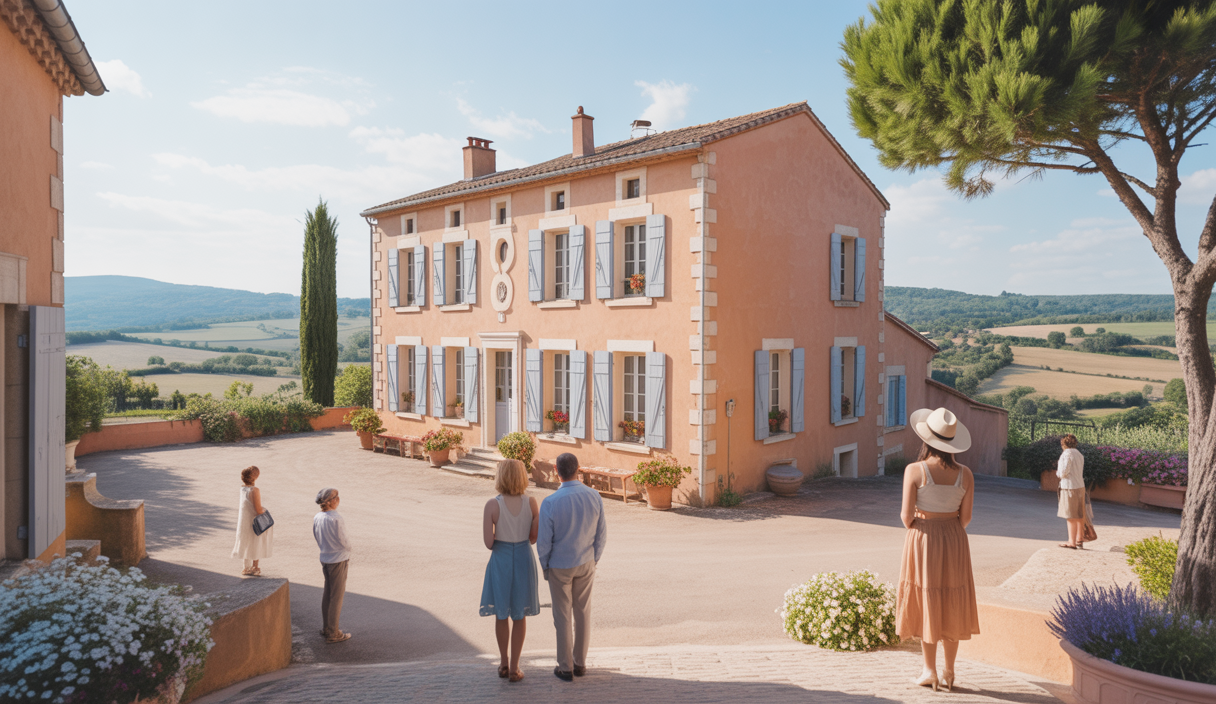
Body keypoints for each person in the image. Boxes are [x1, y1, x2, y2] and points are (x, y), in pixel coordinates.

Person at [897, 407, 980, 693]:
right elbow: (966, 518)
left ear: (926, 439)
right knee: (952, 598)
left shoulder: (915, 470)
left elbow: (906, 516)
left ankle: (928, 670)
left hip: (924, 536)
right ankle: (950, 671)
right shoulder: (965, 474)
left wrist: (925, 525)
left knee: (928, 598)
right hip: (955, 538)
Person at [537, 452, 607, 682]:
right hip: (586, 561)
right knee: (583, 613)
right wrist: (593, 558)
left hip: (560, 564)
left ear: (556, 471)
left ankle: (565, 666)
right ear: (578, 469)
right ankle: (580, 663)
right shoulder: (594, 496)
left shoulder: (550, 502)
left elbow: (544, 540)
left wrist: (545, 565)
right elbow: (601, 534)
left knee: (562, 616)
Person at [480, 459, 541, 683]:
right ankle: (515, 667)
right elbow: (533, 538)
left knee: (501, 613)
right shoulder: (532, 503)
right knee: (520, 614)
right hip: (524, 558)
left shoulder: (492, 505)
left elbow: (488, 542)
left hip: (501, 560)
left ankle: (504, 662)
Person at [313, 487, 353, 644]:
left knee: (328, 593)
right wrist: (349, 549)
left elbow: (316, 535)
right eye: (337, 497)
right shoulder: (336, 518)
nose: (339, 499)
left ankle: (327, 627)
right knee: (336, 596)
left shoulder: (318, 517)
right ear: (332, 501)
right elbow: (343, 540)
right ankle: (333, 632)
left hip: (325, 557)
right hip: (338, 558)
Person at [231, 466, 272, 576]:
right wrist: (265, 510)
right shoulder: (255, 490)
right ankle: (255, 567)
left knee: (247, 542)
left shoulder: (243, 489)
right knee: (256, 542)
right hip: (253, 520)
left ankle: (246, 567)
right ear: (255, 477)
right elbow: (258, 510)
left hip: (244, 521)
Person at [1056, 434, 1086, 549]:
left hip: (1069, 486)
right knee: (1079, 514)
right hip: (1080, 486)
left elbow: (1063, 472)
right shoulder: (1079, 454)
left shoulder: (1067, 454)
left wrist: (1057, 474)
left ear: (1063, 443)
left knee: (1071, 515)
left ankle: (1071, 542)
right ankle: (1079, 539)